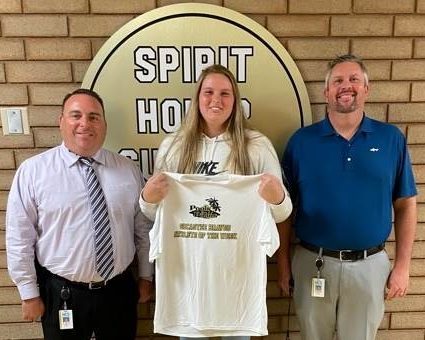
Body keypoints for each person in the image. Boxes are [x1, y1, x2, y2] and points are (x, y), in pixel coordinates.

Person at [139, 64, 293, 339]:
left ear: (236, 101)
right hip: (188, 287)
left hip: (237, 287)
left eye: (225, 93)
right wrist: (146, 198)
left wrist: (278, 197)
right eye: (208, 92)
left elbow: (282, 213)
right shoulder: (173, 146)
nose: (216, 100)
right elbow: (155, 215)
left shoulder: (256, 145)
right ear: (197, 98)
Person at [278, 54, 417, 340]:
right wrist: (282, 265)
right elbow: (284, 210)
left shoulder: (391, 139)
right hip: (311, 264)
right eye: (338, 80)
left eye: (354, 79)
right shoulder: (301, 142)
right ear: (326, 91)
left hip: (370, 266)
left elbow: (405, 204)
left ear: (367, 89)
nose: (346, 86)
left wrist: (403, 266)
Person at [6, 88, 153, 340]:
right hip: (62, 293)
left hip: (118, 291)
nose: (85, 123)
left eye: (94, 116)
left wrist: (145, 277)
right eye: (76, 116)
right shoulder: (33, 172)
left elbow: (142, 230)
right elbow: (19, 237)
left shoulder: (128, 170)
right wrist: (28, 293)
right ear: (61, 122)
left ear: (104, 124)